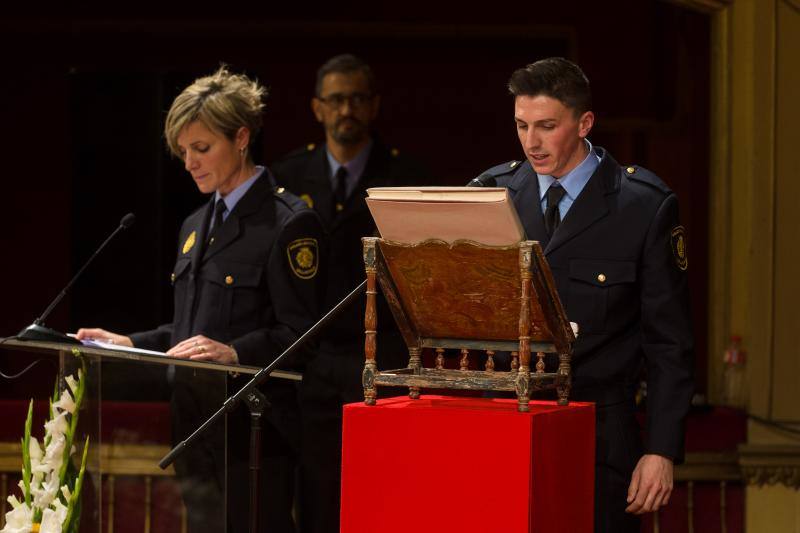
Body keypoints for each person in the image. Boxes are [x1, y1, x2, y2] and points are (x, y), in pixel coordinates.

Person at [77, 66, 325, 533]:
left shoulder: (288, 223)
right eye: (183, 151)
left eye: (202, 148)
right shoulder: (194, 224)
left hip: (252, 437)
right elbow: (193, 331)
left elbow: (302, 337)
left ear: (242, 137)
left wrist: (236, 354)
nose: (189, 162)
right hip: (193, 429)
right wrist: (129, 342)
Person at [476, 57, 694, 533]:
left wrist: (660, 449)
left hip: (599, 438)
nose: (531, 142)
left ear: (584, 122)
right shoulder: (492, 194)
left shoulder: (641, 205)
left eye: (547, 126)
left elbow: (669, 343)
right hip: (506, 431)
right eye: (521, 125)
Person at [271, 54, 427, 533]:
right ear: (317, 108)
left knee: (384, 494)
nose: (347, 110)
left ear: (374, 105)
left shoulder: (407, 176)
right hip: (313, 361)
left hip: (385, 359)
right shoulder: (287, 177)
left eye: (357, 99)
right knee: (317, 496)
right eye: (336, 100)